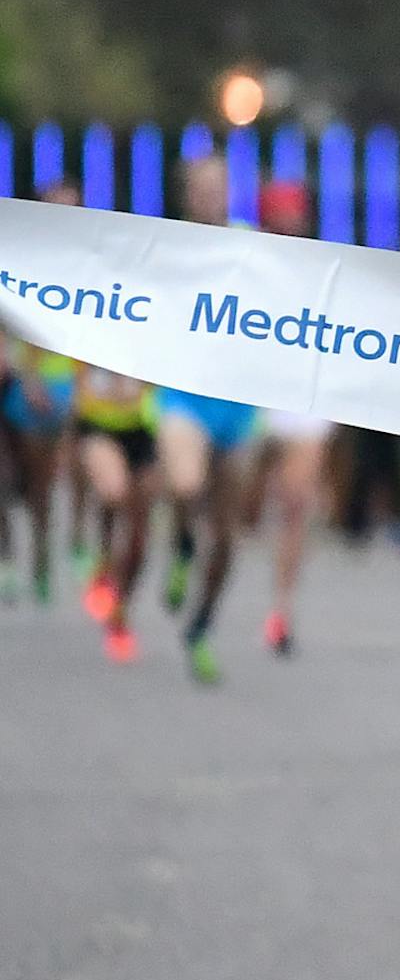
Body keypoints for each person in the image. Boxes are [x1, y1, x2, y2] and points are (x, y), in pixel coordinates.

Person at [155, 157, 260, 685]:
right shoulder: (165, 246)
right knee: (185, 482)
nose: (208, 198)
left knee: (228, 537)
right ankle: (179, 547)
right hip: (184, 395)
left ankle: (201, 625)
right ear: (185, 196)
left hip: (237, 403)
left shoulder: (253, 243)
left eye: (217, 188)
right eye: (199, 190)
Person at [253, 180, 334, 656]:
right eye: (279, 223)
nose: (289, 229)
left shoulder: (325, 271)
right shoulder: (241, 266)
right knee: (237, 507)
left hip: (300, 401)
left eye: (295, 222)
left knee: (296, 504)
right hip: (249, 395)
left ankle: (282, 609)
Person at [0, 180, 87, 607]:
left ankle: (44, 555)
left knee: (44, 484)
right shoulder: (20, 257)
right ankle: (8, 556)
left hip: (68, 386)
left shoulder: (89, 264)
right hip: (20, 381)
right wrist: (27, 378)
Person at [74, 361, 158, 663]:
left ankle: (120, 609)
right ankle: (103, 561)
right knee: (114, 491)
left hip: (144, 431)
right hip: (99, 425)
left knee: (139, 540)